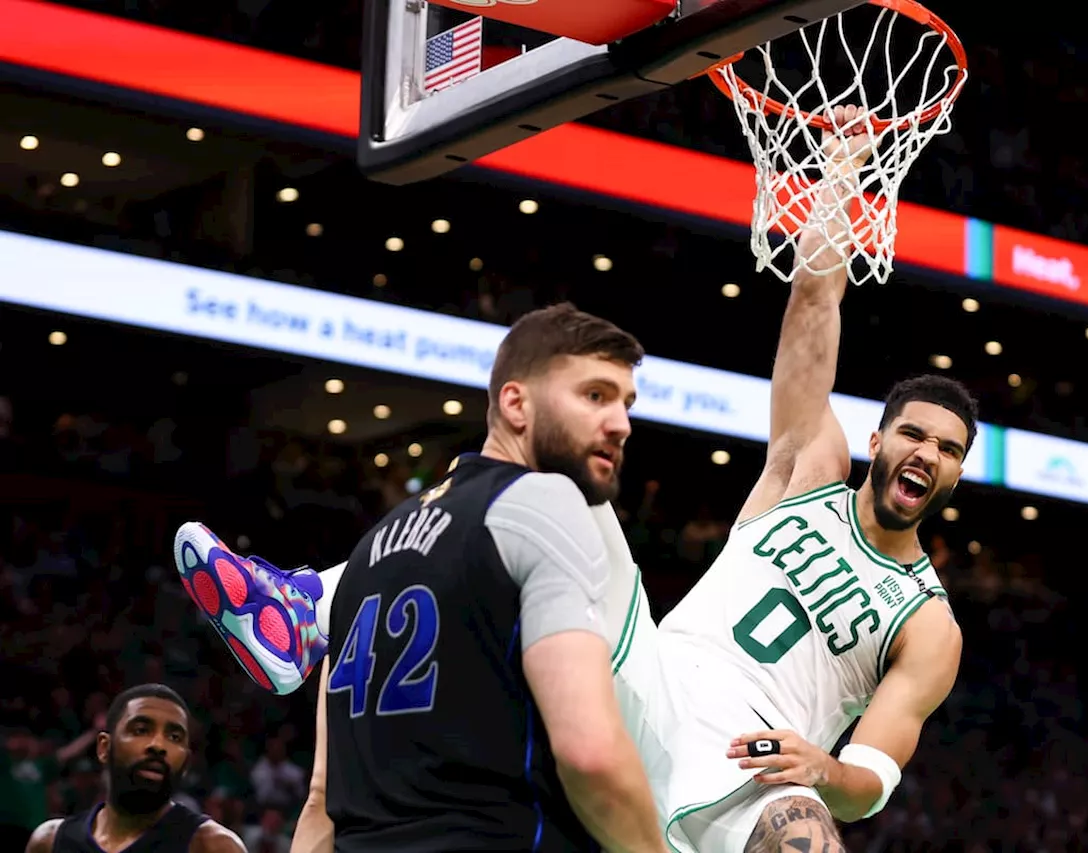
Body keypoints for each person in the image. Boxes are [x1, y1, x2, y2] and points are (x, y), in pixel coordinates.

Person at [177, 106, 969, 853]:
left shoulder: (929, 622)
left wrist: (828, 773)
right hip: (651, 684)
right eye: (914, 433)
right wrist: (839, 178)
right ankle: (304, 610)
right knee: (552, 495)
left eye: (947, 448)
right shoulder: (811, 469)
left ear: (956, 475)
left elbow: (875, 776)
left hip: (757, 762)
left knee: (807, 831)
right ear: (879, 438)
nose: (927, 453)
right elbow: (813, 302)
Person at [175, 304, 666, 852]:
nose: (620, 422)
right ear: (515, 403)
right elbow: (590, 754)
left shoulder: (371, 551)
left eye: (626, 403)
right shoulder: (546, 500)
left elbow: (320, 799)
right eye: (594, 395)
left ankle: (303, 608)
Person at [25, 684, 246, 853]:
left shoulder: (213, 846)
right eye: (141, 730)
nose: (158, 745)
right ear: (104, 748)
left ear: (186, 762)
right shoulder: (50, 842)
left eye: (174, 736)